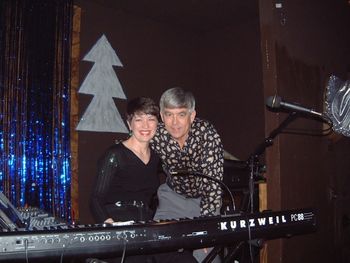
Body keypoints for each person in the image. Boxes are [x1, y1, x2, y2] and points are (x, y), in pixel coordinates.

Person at [150, 87, 224, 262]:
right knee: (156, 243)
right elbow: (132, 146)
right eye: (169, 114)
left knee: (206, 255)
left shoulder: (206, 133)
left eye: (181, 115)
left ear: (192, 116)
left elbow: (213, 186)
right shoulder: (157, 134)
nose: (174, 122)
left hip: (203, 201)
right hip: (171, 197)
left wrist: (206, 227)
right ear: (161, 115)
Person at [90, 97, 160, 263]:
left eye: (151, 119)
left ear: (158, 124)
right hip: (120, 227)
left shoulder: (156, 158)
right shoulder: (115, 154)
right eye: (139, 119)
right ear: (130, 124)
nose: (145, 126)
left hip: (145, 228)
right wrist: (112, 228)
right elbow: (95, 199)